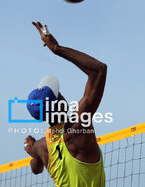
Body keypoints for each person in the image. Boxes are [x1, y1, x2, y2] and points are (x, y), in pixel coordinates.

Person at [23, 22, 107, 187]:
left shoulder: (40, 146)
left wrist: (32, 153)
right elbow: (99, 70)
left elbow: (36, 169)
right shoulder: (78, 129)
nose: (62, 95)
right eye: (59, 95)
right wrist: (57, 48)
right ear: (60, 106)